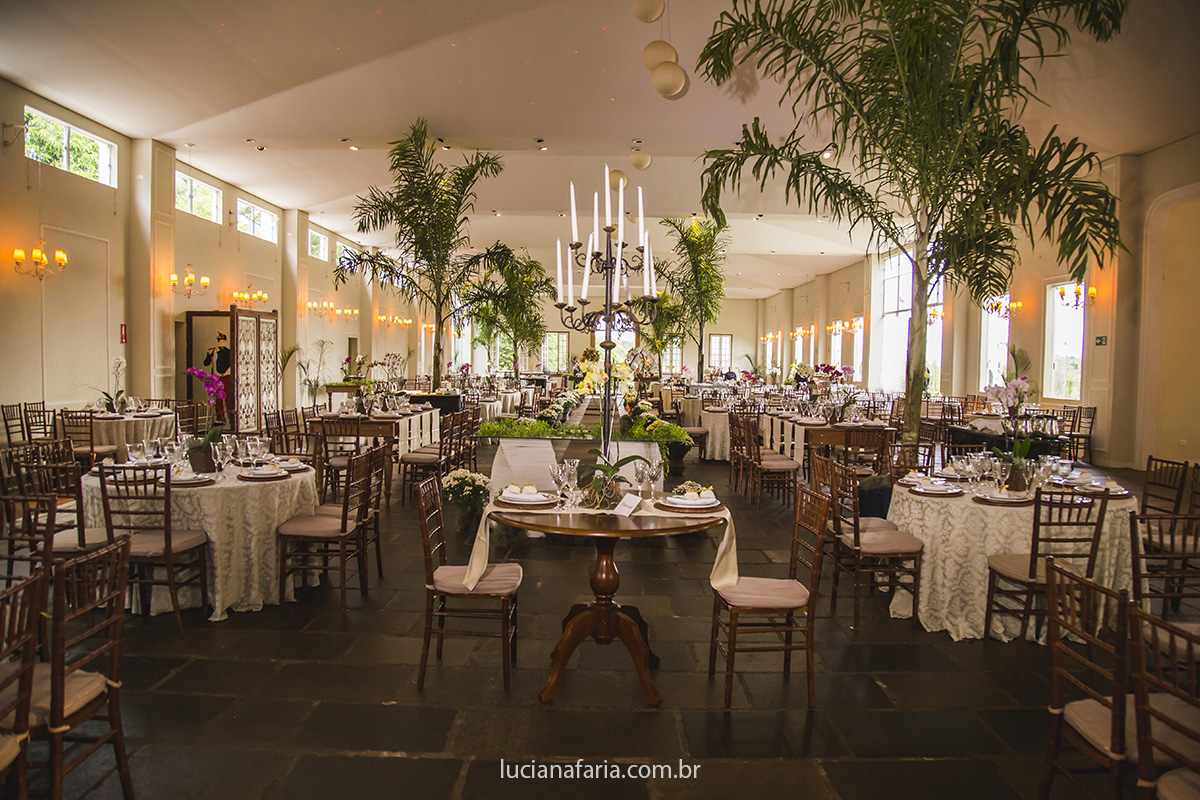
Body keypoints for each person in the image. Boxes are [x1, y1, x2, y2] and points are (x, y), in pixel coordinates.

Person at [202, 331, 234, 422]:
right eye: (220, 342)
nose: (221, 343)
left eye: (223, 342)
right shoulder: (213, 351)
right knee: (218, 398)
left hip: (227, 375)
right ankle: (220, 418)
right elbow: (206, 363)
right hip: (216, 377)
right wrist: (209, 354)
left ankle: (230, 419)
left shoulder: (229, 352)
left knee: (228, 397)